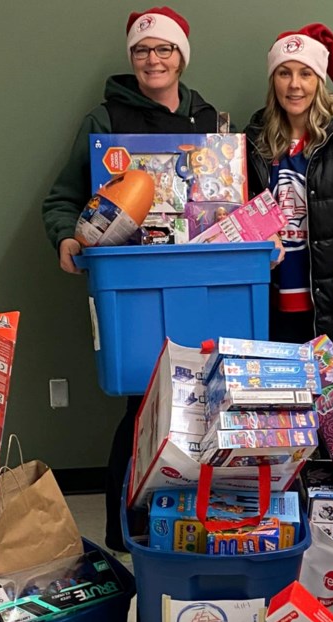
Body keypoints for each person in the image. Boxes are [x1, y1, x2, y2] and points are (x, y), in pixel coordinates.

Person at [40, 6, 222, 553]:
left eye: (164, 49)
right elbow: (62, 198)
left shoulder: (210, 119)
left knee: (205, 397)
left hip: (201, 277)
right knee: (143, 406)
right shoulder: (104, 121)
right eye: (142, 51)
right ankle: (124, 532)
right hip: (135, 283)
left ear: (181, 56)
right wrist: (66, 238)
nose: (153, 59)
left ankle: (199, 526)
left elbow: (236, 197)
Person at [245, 23, 333, 376]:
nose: (294, 84)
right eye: (284, 73)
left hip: (330, 301)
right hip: (271, 301)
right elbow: (240, 205)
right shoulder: (253, 141)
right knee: (280, 414)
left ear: (319, 81)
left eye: (305, 74)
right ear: (273, 80)